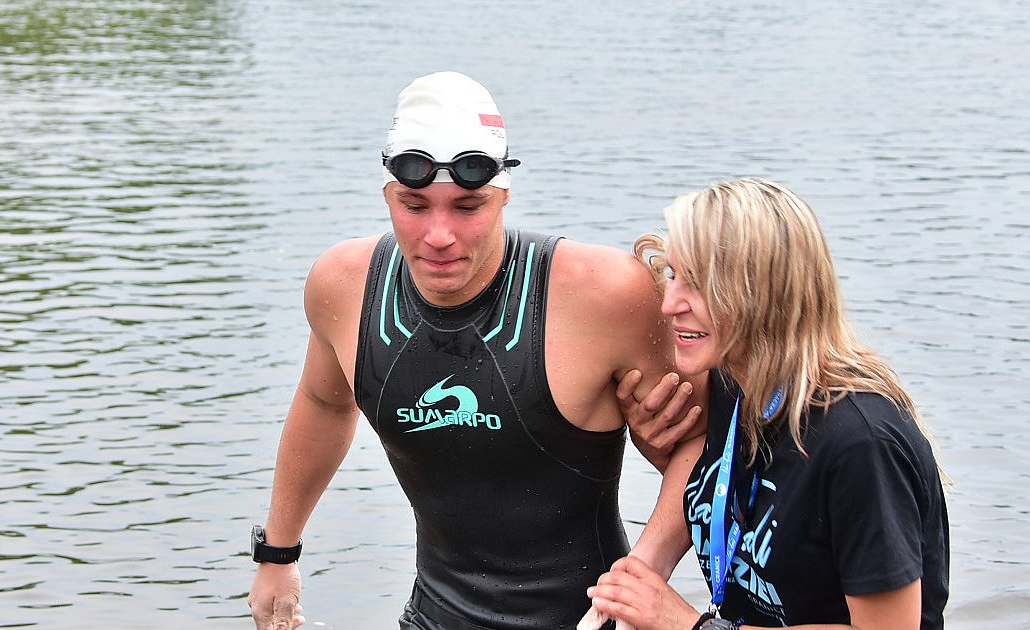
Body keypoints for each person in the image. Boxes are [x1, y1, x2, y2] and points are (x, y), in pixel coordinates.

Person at [247, 71, 706, 630]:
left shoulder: (605, 293)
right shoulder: (342, 285)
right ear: (388, 194)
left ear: (505, 194)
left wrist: (641, 574)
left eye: (468, 207)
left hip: (590, 620)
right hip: (433, 617)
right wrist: (278, 554)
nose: (440, 235)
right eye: (415, 206)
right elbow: (323, 404)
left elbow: (702, 449)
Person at [583, 178, 950, 629]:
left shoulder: (860, 443)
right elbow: (710, 471)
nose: (670, 304)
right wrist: (644, 568)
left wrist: (688, 625)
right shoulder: (731, 379)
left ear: (765, 294)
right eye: (674, 275)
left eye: (698, 285)